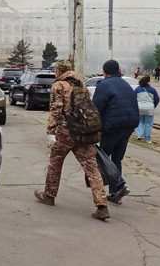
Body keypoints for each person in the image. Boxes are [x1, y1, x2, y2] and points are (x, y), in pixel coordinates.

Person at [35, 59, 109, 220]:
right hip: (83, 133)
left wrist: (51, 131)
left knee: (55, 164)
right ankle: (102, 205)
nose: (55, 73)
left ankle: (49, 195)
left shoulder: (59, 85)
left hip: (65, 133)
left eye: (56, 70)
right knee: (92, 168)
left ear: (60, 71)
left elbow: (55, 109)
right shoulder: (80, 84)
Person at [92, 59, 138, 204]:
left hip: (112, 126)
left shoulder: (103, 85)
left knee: (103, 158)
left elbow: (96, 108)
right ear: (118, 71)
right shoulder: (126, 84)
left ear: (104, 72)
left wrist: (94, 128)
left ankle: (119, 185)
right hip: (129, 125)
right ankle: (114, 192)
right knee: (117, 158)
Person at [135, 76, 160, 144]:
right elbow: (157, 99)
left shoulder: (137, 89)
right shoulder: (152, 89)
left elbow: (133, 98)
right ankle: (147, 139)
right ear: (148, 82)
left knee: (140, 122)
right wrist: (153, 106)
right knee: (148, 123)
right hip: (149, 109)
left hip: (139, 108)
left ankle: (139, 134)